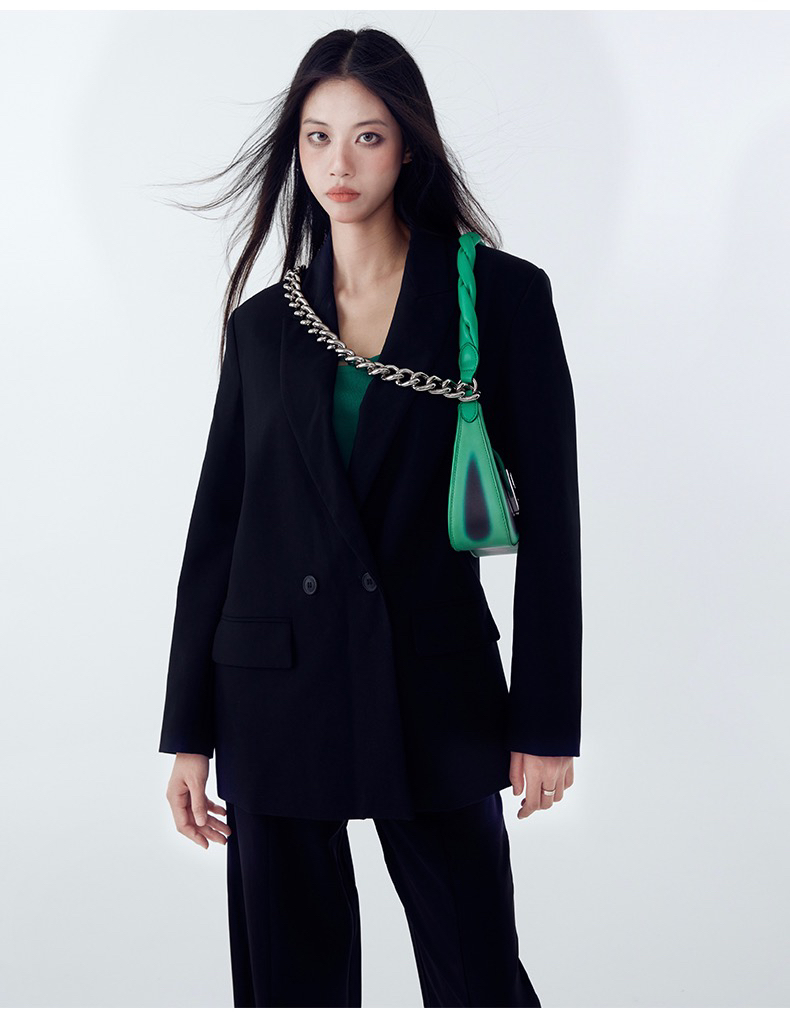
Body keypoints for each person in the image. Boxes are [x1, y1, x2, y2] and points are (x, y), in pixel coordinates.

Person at [158, 26, 582, 1009]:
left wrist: (545, 721)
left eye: (368, 137)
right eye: (317, 137)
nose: (337, 164)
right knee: (289, 986)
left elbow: (553, 524)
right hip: (273, 690)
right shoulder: (264, 325)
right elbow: (218, 531)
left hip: (433, 687)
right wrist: (189, 732)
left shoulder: (500, 297)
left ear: (410, 147)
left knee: (477, 975)